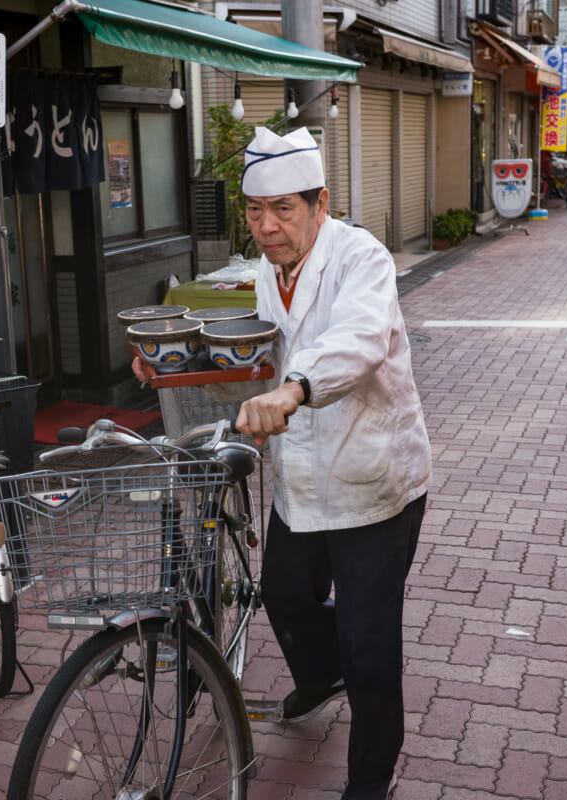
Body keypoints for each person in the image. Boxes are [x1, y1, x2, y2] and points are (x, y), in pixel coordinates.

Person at [137, 126, 430, 800]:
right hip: (302, 479)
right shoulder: (269, 274)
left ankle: (369, 779)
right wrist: (168, 366)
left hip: (375, 482)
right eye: (254, 211)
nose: (266, 228)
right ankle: (324, 672)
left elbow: (358, 342)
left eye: (284, 210)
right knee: (287, 595)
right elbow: (254, 360)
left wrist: (294, 388)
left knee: (370, 642)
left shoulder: (363, 259)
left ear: (321, 202)